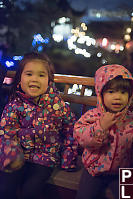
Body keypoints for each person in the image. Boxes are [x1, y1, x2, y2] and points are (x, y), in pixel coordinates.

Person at [0, 52, 78, 199]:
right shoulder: (14, 105)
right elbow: (6, 133)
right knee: (5, 188)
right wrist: (11, 155)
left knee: (30, 192)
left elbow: (71, 132)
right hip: (17, 156)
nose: (35, 79)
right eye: (29, 74)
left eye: (41, 75)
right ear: (20, 78)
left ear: (49, 80)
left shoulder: (58, 106)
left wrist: (68, 160)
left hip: (44, 159)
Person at [74, 64, 133, 199]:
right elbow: (81, 137)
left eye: (123, 92)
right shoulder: (93, 116)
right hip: (94, 169)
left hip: (124, 171)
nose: (118, 97)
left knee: (127, 196)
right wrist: (101, 126)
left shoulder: (130, 119)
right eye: (111, 92)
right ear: (101, 93)